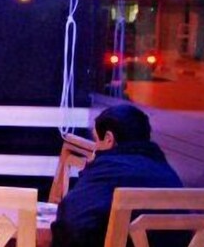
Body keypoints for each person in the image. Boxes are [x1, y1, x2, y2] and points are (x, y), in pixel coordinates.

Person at [51, 104, 183, 247]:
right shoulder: (167, 172)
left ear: (109, 139)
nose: (95, 149)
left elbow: (69, 226)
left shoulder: (108, 169)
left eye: (97, 141)